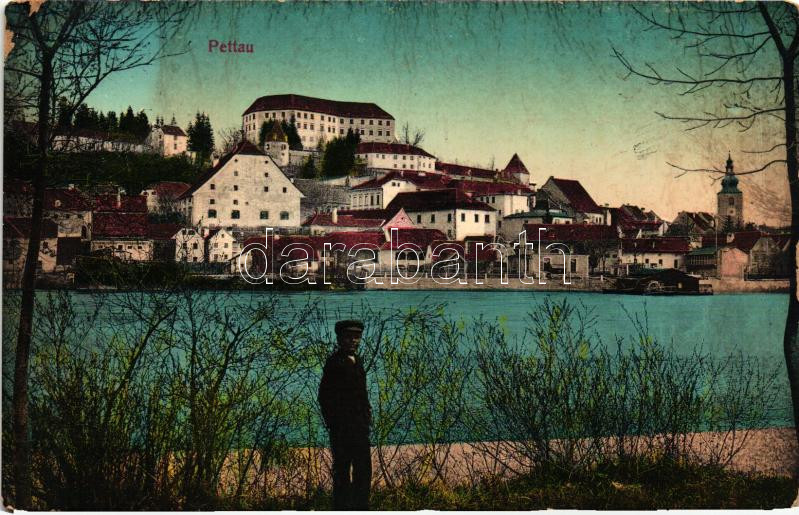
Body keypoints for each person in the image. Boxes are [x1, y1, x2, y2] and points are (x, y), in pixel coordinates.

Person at [318, 319, 372, 510]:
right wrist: (334, 424)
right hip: (341, 429)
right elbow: (324, 396)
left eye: (357, 337)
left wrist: (366, 417)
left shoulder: (358, 361)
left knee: (363, 470)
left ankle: (361, 508)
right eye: (348, 337)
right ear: (339, 339)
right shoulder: (334, 362)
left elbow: (362, 394)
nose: (353, 341)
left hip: (360, 428)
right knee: (342, 471)